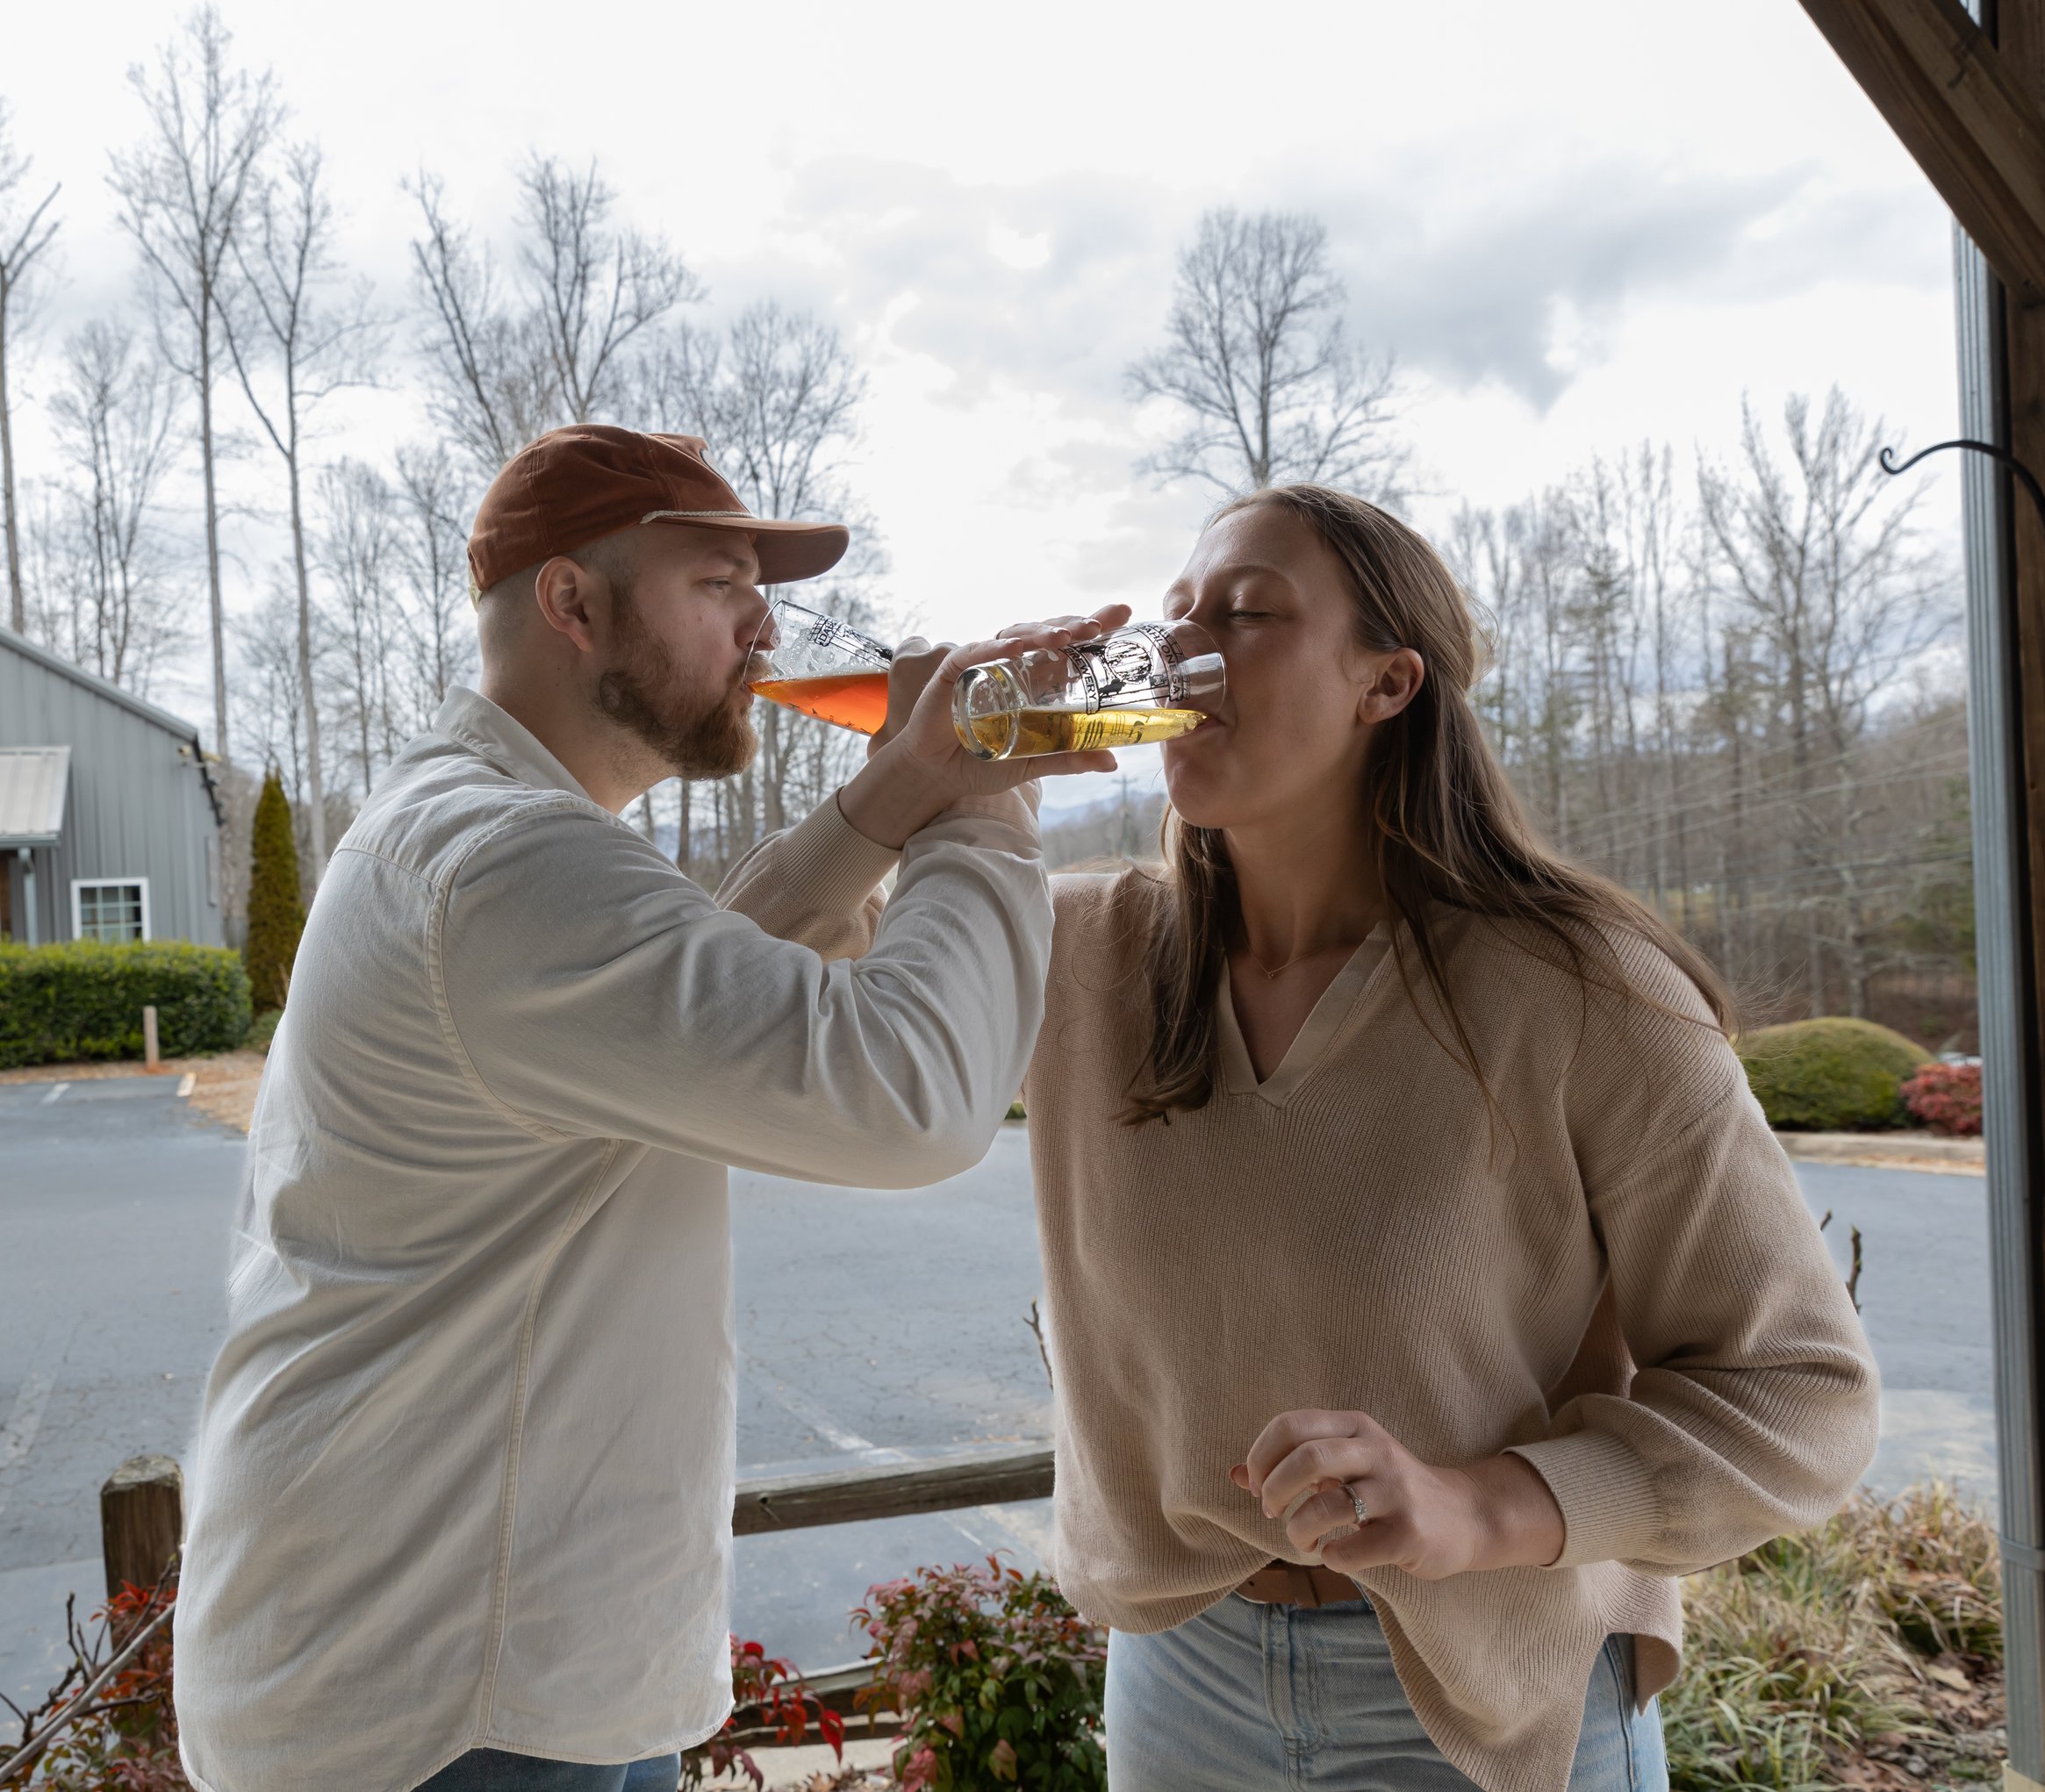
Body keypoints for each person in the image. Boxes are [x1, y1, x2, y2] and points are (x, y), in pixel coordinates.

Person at [779, 485, 1881, 1791]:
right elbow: (749, 1014)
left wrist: (1483, 1505)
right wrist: (915, 781)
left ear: (1388, 683)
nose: (1184, 654)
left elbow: (1804, 1391)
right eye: (1175, 617)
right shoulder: (1078, 954)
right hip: (1184, 1682)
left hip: (1484, 1704)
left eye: (1244, 615)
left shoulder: (1583, 990)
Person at [172, 425, 1116, 1792]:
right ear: (572, 602)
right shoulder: (502, 867)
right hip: (444, 1701)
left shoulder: (491, 832)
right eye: (720, 586)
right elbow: (910, 1094)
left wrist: (901, 786)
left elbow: (707, 978)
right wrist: (984, 797)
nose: (767, 626)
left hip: (502, 1668)